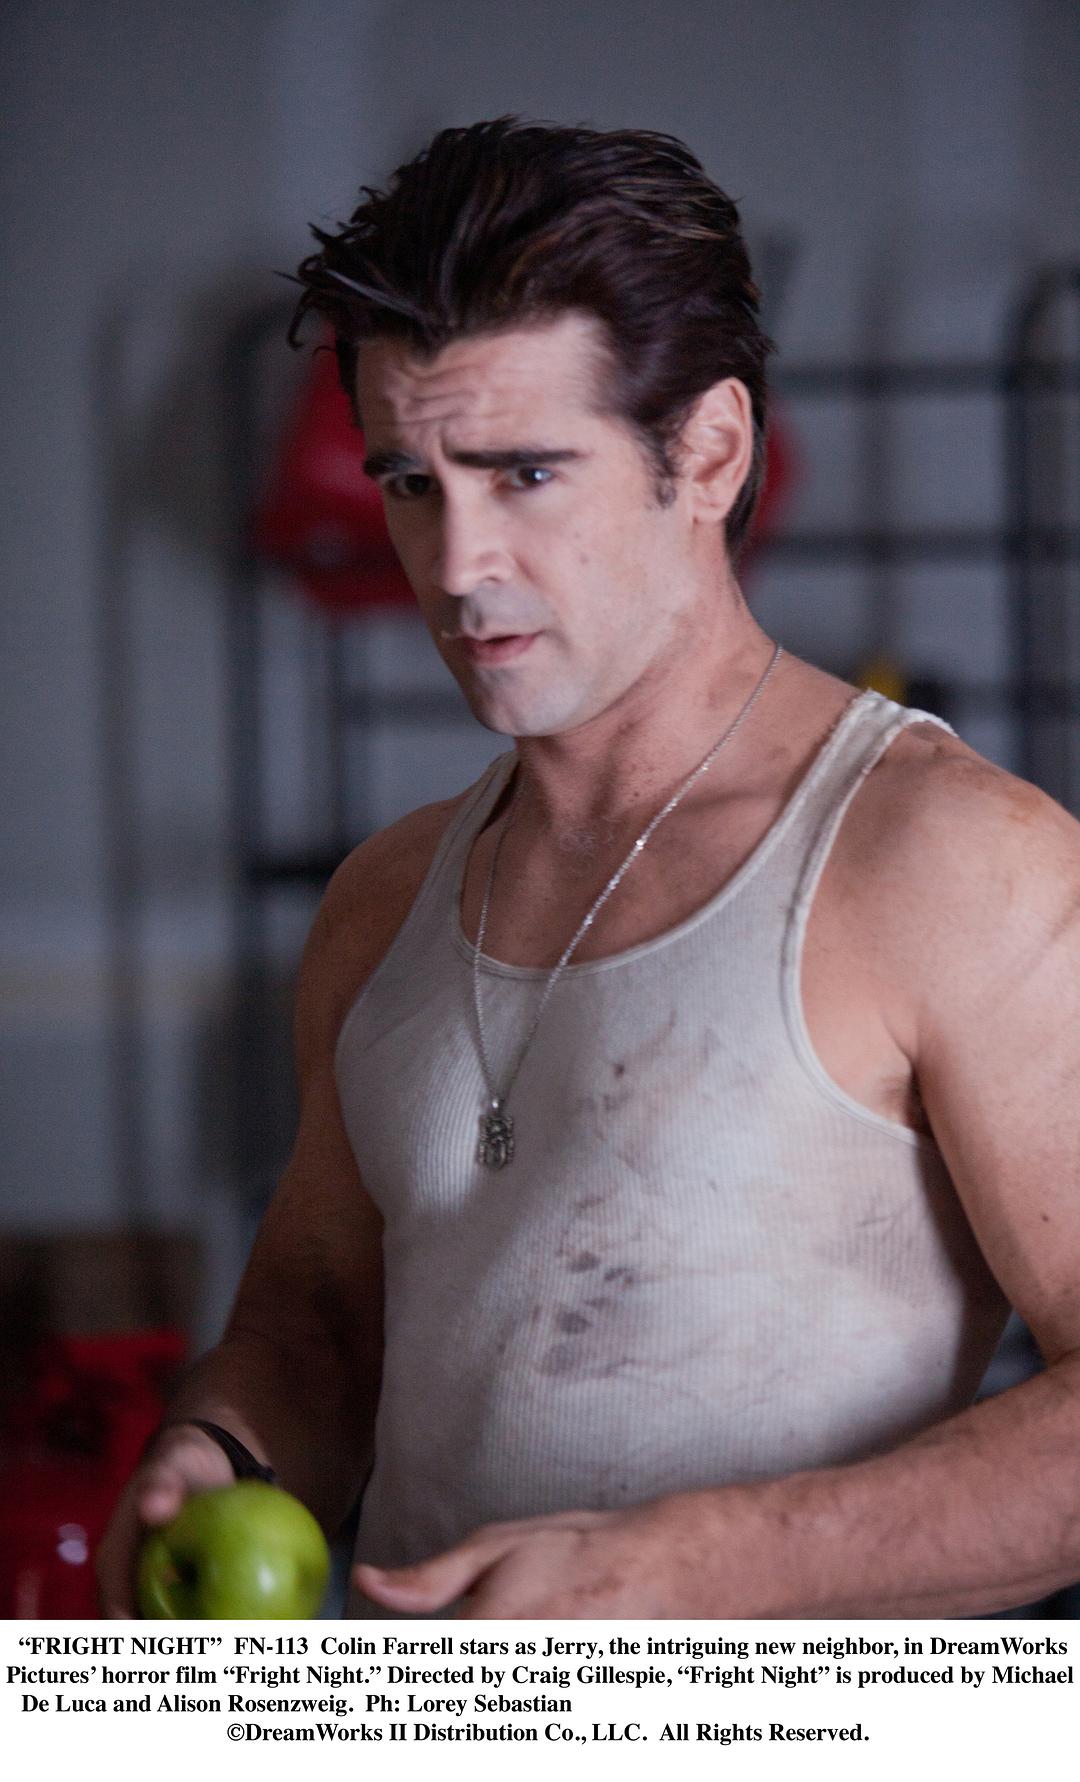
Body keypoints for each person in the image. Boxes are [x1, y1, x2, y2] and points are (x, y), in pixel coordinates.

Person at [98, 117, 1080, 1620]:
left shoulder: (948, 860)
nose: (456, 565)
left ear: (711, 452)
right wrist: (224, 1449)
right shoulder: (383, 900)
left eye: (526, 474)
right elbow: (317, 1323)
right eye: (411, 482)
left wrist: (686, 1565)